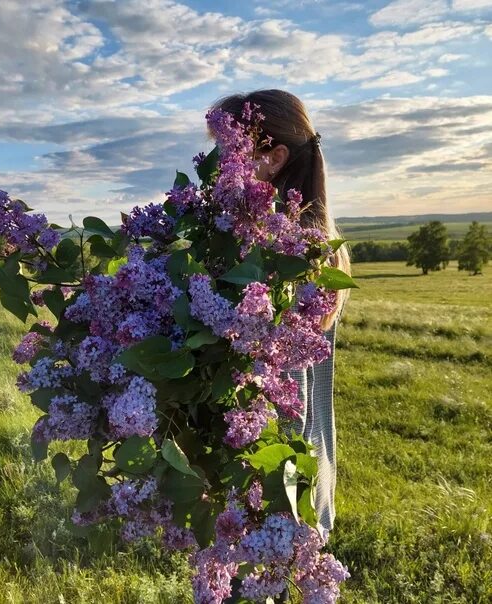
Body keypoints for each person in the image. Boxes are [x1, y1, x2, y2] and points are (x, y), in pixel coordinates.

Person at [209, 89, 351, 534]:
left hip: (279, 481)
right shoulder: (316, 245)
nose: (215, 168)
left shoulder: (283, 257)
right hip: (309, 465)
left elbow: (288, 392)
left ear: (273, 158)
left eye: (228, 151)